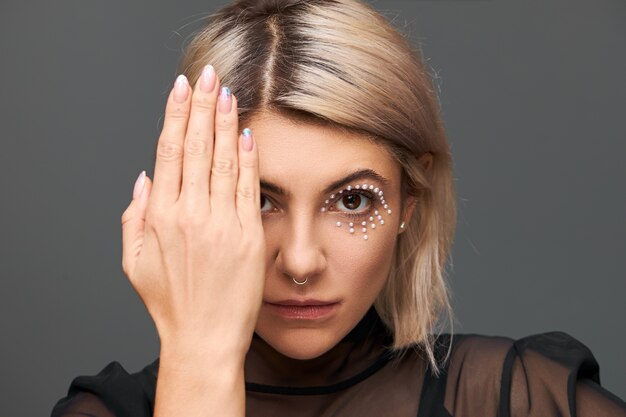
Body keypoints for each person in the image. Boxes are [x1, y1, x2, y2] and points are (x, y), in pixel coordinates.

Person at [50, 0, 626, 416]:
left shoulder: (519, 400)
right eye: (258, 200)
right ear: (189, 204)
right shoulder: (108, 412)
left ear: (410, 203)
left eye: (352, 200)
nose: (301, 262)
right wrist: (199, 362)